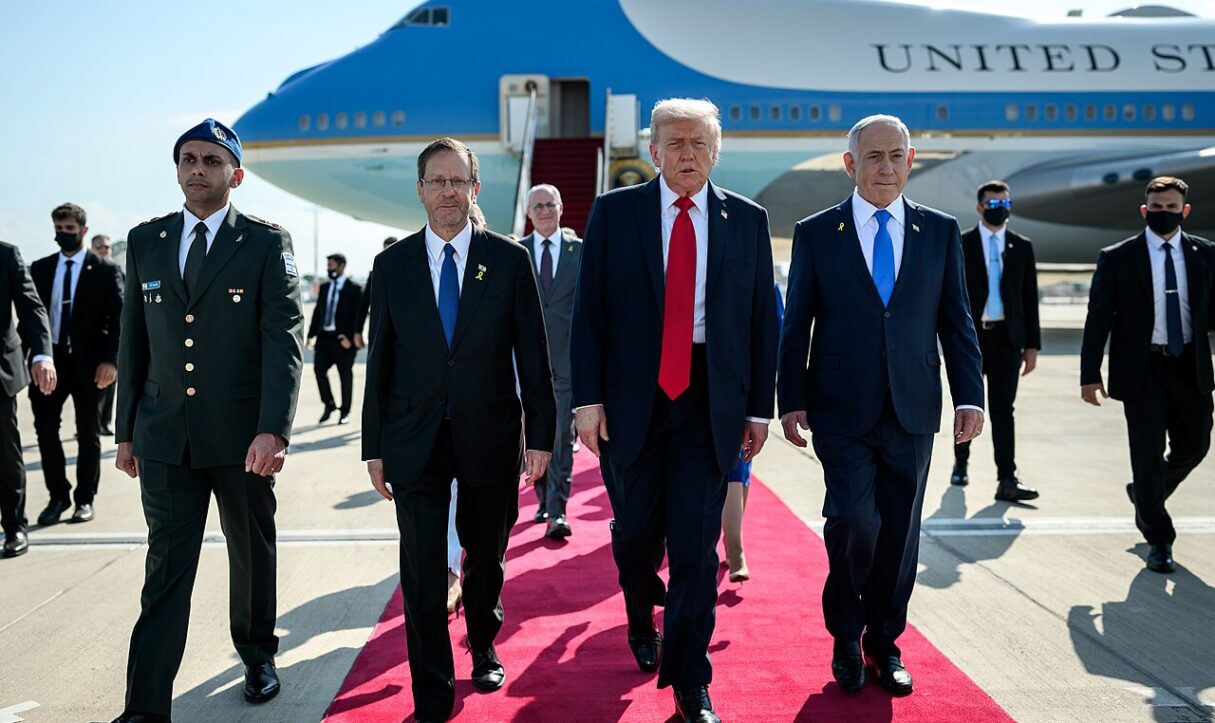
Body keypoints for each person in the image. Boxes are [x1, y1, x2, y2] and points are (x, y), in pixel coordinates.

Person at [571, 98, 778, 723]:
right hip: (634, 402)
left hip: (709, 403)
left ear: (716, 152)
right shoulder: (614, 213)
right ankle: (640, 611)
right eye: (674, 143)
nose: (687, 154)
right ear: (653, 151)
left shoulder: (746, 220)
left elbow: (762, 321)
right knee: (637, 538)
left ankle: (690, 679)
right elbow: (591, 313)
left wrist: (758, 410)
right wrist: (586, 401)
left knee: (694, 547)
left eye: (699, 143)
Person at [102, 118, 304, 723]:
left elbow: (283, 341)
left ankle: (257, 654)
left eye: (212, 161)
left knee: (250, 552)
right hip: (163, 436)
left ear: (235, 174)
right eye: (189, 159)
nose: (198, 169)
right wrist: (125, 431)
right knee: (165, 571)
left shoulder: (267, 243)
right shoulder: (147, 240)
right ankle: (144, 707)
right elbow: (134, 342)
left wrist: (275, 428)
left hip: (243, 439)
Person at [778, 114, 984, 697]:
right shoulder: (818, 232)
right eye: (872, 156)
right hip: (840, 408)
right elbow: (796, 325)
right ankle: (846, 635)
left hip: (913, 406)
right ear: (850, 164)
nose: (885, 167)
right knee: (854, 522)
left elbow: (956, 320)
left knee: (899, 533)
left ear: (911, 160)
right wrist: (789, 398)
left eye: (896, 155)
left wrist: (971, 394)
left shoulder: (940, 232)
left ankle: (883, 644)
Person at [362, 137, 555, 723]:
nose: (448, 191)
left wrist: (541, 435)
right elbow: (381, 365)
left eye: (458, 181)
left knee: (486, 556)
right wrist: (374, 447)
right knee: (421, 569)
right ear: (420, 190)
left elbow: (534, 355)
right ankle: (432, 697)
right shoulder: (391, 265)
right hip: (414, 439)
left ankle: (484, 637)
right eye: (436, 181)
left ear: (475, 189)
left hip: (490, 434)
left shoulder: (508, 259)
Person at [1081, 176, 1214, 574]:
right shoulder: (1118, 257)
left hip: (1189, 365)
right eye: (1156, 208)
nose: (1163, 214)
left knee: (1196, 446)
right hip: (1142, 371)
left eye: (1171, 208)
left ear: (1185, 211)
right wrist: (1090, 373)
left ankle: (1145, 494)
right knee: (1147, 454)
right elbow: (1098, 318)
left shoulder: (1206, 255)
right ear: (1144, 210)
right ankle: (1159, 537)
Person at [28, 204, 123, 526]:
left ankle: (85, 499)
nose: (62, 235)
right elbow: (30, 317)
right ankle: (57, 496)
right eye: (58, 229)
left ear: (83, 231)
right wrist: (31, 357)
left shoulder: (106, 270)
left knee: (88, 434)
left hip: (89, 365)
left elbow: (119, 319)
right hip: (48, 362)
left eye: (69, 229)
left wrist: (111, 361)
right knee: (45, 432)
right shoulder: (40, 269)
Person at [951, 181, 1042, 501]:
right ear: (979, 207)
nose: (1000, 208)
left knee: (1004, 410)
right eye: (992, 204)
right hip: (970, 340)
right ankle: (960, 464)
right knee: (968, 405)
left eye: (1005, 203)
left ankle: (1007, 478)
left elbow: (1029, 298)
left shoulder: (1021, 245)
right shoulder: (961, 243)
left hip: (1006, 338)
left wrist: (1032, 346)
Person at [522, 183, 581, 539]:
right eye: (537, 206)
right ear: (529, 213)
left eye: (550, 204)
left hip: (565, 366)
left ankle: (558, 511)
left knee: (560, 439)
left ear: (561, 208)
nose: (544, 210)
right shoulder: (516, 252)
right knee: (534, 438)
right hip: (526, 367)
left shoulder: (580, 251)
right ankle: (543, 498)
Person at [721, 283, 786, 584]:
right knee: (732, 469)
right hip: (708, 388)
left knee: (742, 468)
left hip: (744, 390)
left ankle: (731, 540)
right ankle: (736, 550)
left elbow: (778, 334)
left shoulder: (762, 282)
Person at [0, 242, 54, 559]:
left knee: (5, 457)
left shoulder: (6, 255)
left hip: (0, 374)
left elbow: (31, 308)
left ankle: (14, 526)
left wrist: (42, 355)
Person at [308, 253, 362, 424]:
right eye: (328, 265)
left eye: (331, 265)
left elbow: (358, 316)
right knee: (318, 370)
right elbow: (319, 312)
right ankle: (329, 404)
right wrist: (311, 335)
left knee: (345, 376)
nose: (329, 268)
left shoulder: (354, 288)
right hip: (324, 338)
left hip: (344, 341)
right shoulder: (324, 287)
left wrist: (351, 337)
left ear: (341, 266)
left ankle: (345, 412)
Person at [92, 234, 122, 436]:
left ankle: (104, 421)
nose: (104, 249)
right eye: (99, 246)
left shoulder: (118, 272)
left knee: (111, 384)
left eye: (107, 246)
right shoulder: (87, 272)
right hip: (92, 340)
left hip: (112, 339)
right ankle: (92, 421)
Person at [354, 235, 398, 351]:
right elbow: (364, 305)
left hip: (402, 331)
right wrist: (358, 331)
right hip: (379, 329)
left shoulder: (409, 273)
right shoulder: (375, 274)